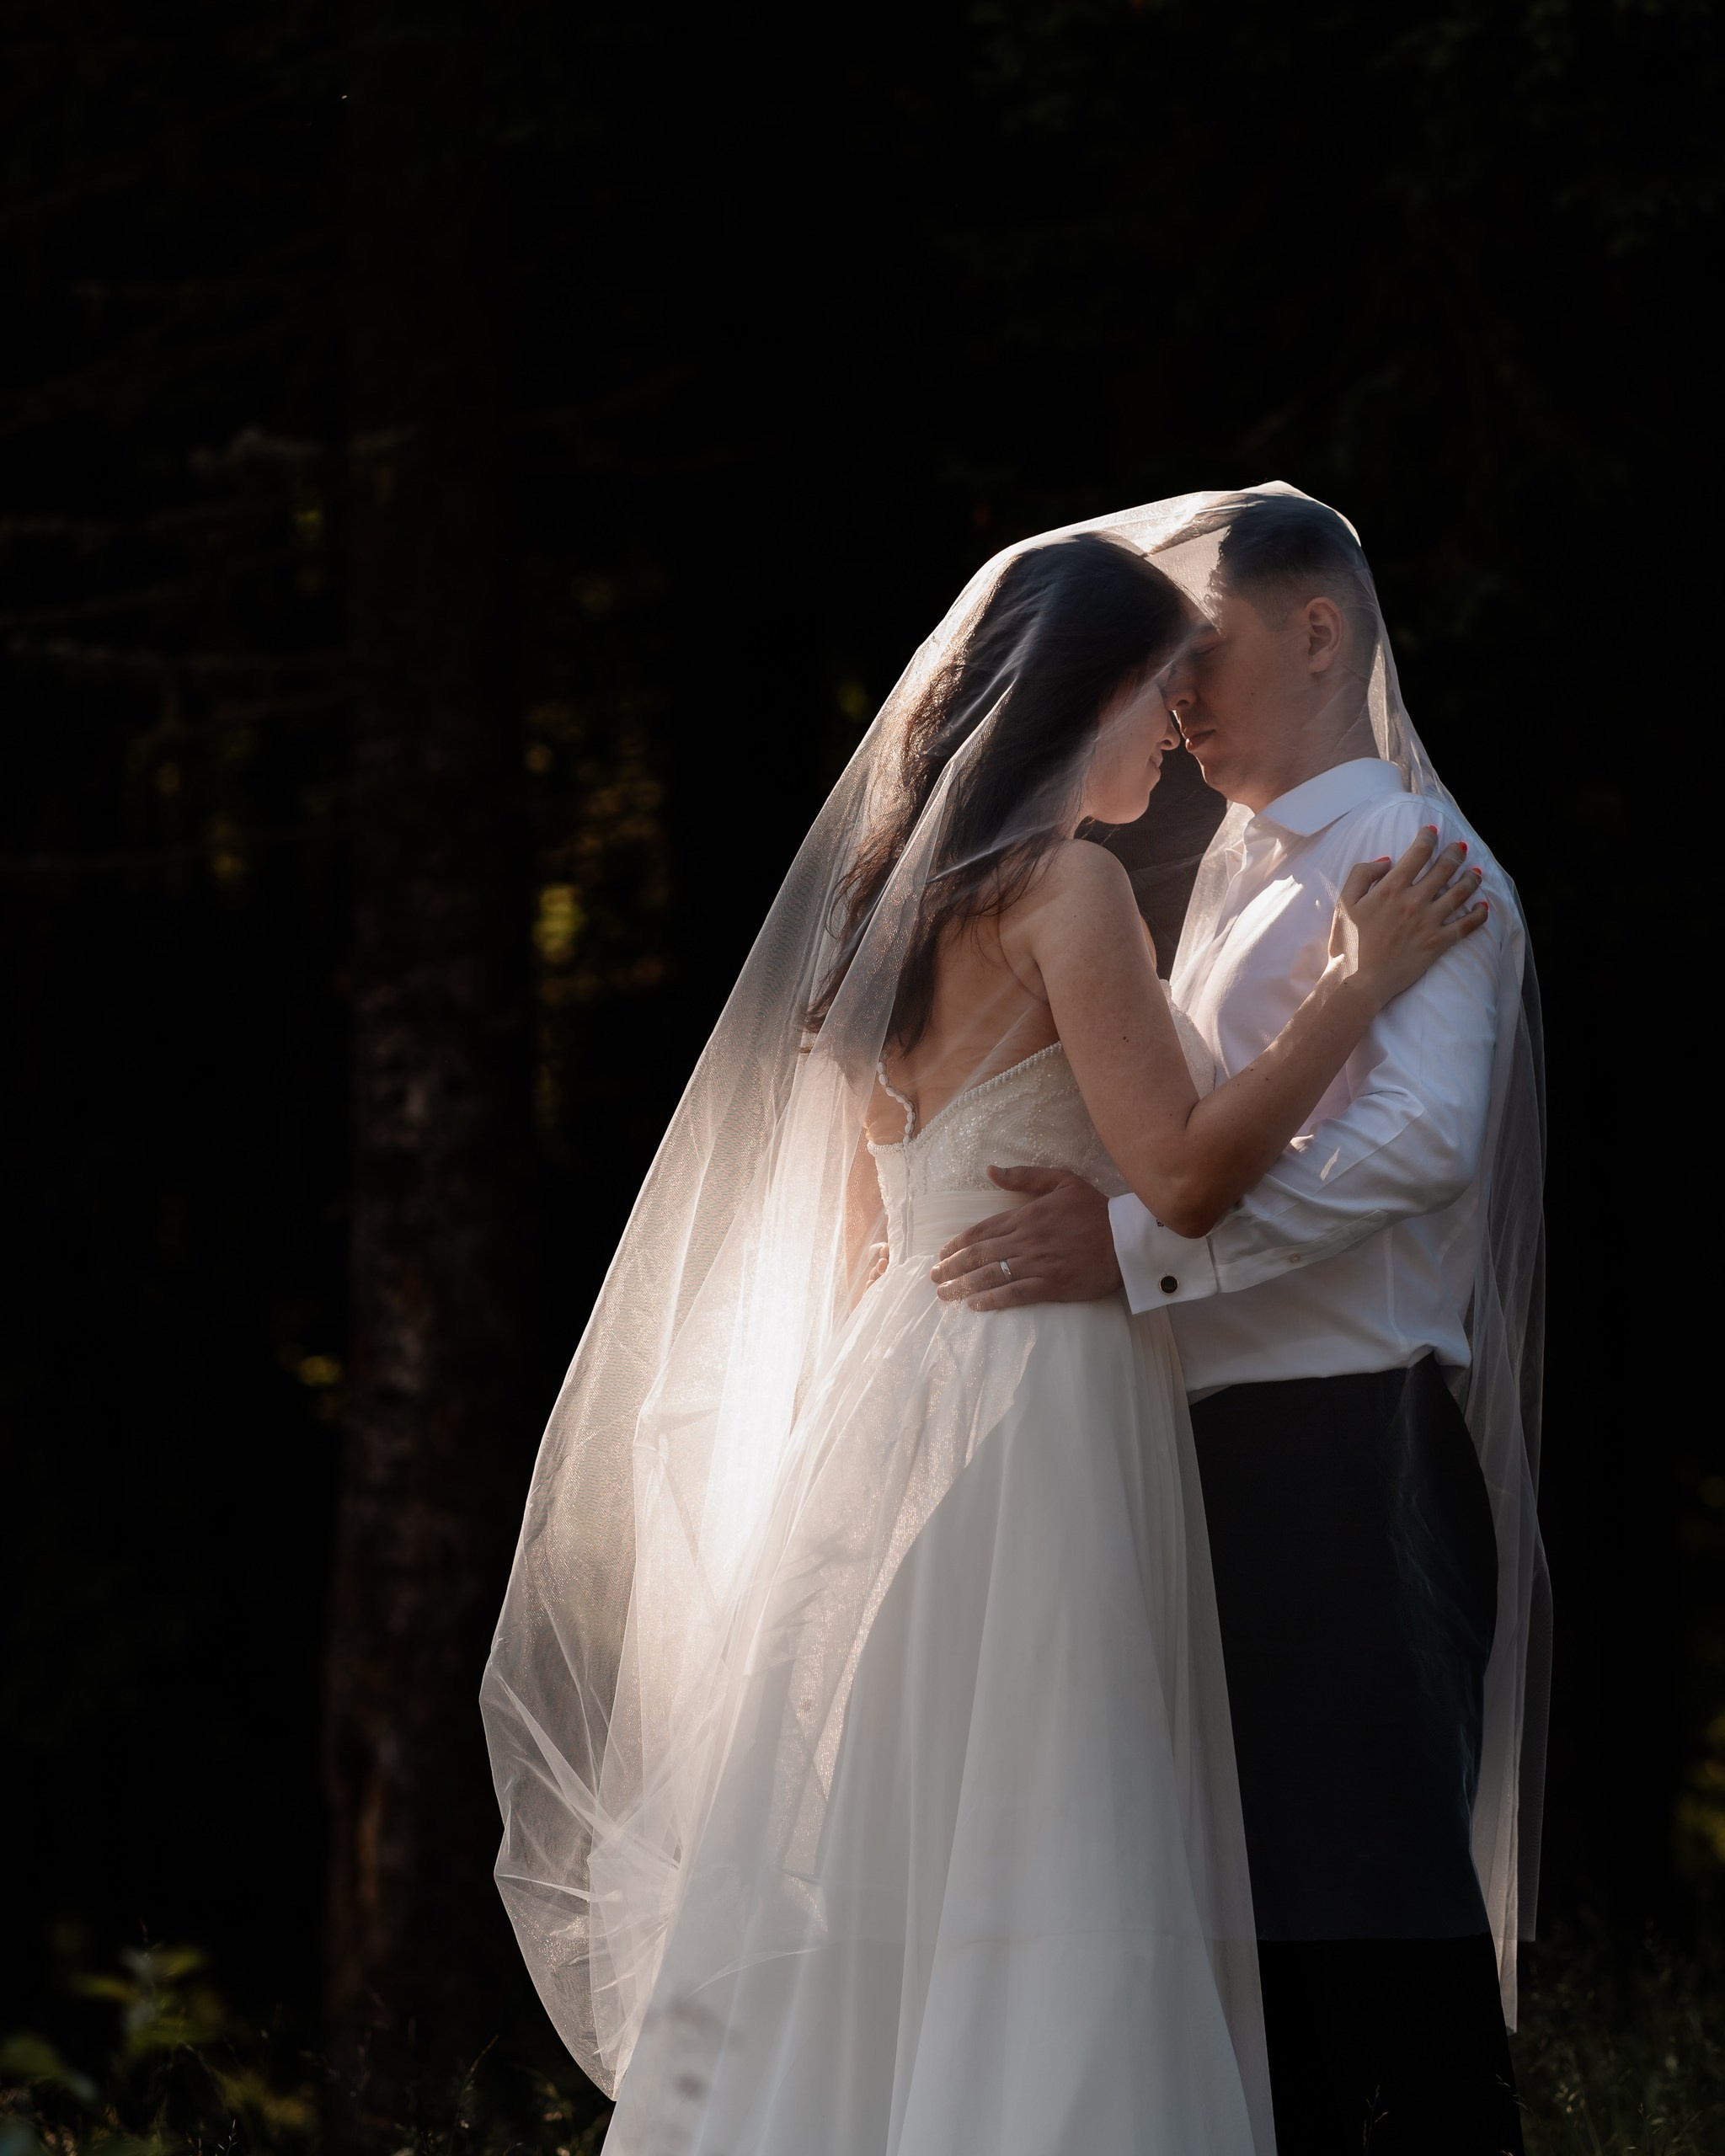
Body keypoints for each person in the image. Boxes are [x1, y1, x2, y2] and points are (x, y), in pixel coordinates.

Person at [481, 517, 1488, 2155]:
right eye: (1160, 694)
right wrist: (1354, 988)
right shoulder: (1066, 886)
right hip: (1042, 1394)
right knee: (1051, 1819)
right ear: (1080, 692)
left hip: (892, 1397)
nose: (1172, 736)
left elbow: (882, 1223)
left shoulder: (890, 898)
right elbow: (1177, 1174)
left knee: (901, 1821)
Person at [931, 492, 1546, 2155]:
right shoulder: (1225, 873)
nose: (1177, 695)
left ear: (1320, 630)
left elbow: (1418, 1141)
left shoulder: (1411, 862)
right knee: (1252, 1943)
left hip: (1347, 1443)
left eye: (1204, 654)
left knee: (1373, 1920)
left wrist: (1135, 1251)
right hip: (1206, 1452)